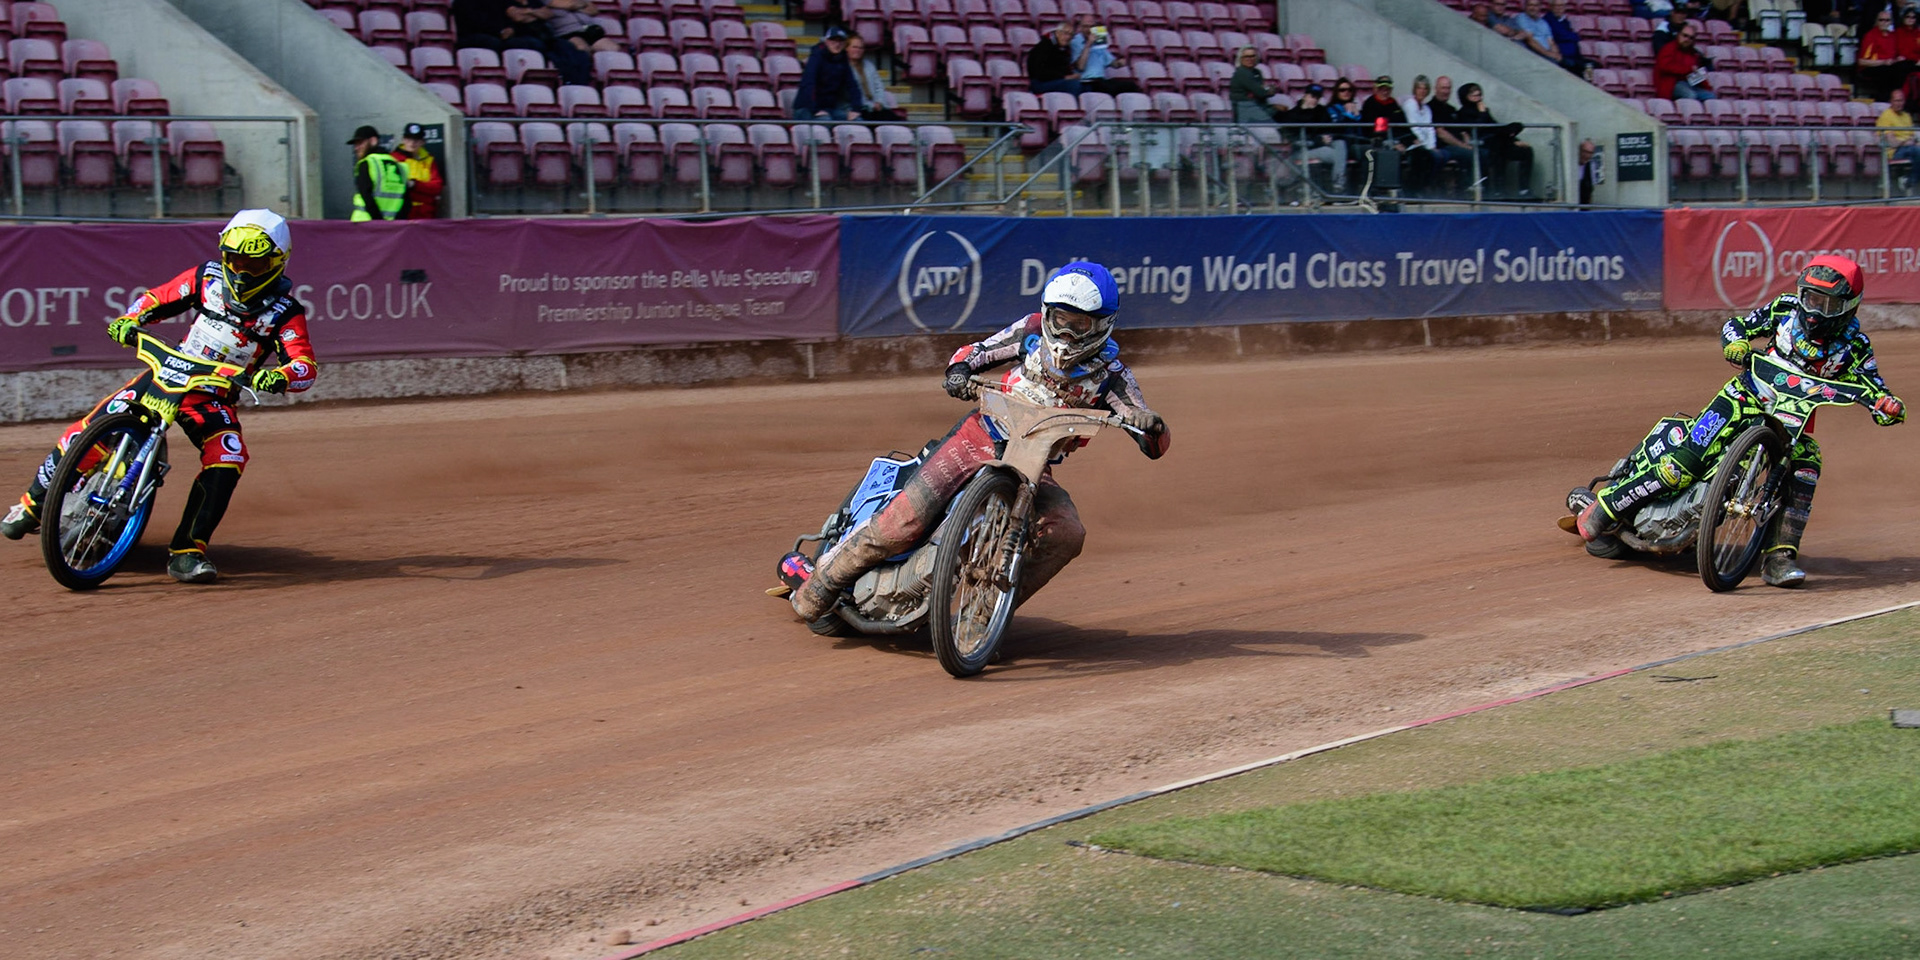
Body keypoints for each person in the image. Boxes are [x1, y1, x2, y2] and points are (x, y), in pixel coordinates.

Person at [782, 262, 1169, 626]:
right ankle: (818, 588)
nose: (1066, 334)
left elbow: (1154, 439)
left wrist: (1149, 425)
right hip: (979, 436)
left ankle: (985, 617)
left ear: (1103, 325)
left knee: (1067, 532)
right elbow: (976, 352)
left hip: (1034, 465)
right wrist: (959, 372)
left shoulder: (1113, 377)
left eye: (1078, 325)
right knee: (901, 523)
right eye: (1060, 321)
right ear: (1047, 314)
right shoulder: (1031, 331)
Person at [1, 210, 317, 584]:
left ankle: (187, 551)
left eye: (255, 262)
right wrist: (130, 320)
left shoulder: (285, 313)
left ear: (277, 262)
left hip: (211, 397)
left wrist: (278, 377)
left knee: (229, 455)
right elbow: (157, 298)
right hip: (165, 373)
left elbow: (305, 365)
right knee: (89, 428)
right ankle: (33, 504)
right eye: (235, 259)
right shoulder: (206, 278)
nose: (242, 270)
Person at [1574, 256, 1904, 587]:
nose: (1815, 310)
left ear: (1849, 306)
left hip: (1793, 422)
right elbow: (1737, 325)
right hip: (1739, 398)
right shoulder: (1785, 309)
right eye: (1811, 298)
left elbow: (1874, 387)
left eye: (1827, 304)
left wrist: (1886, 406)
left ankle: (1779, 558)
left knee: (1808, 464)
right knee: (1682, 464)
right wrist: (1736, 344)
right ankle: (1607, 508)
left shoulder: (1856, 347)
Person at [1455, 82, 1534, 198]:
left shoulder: (1484, 110)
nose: (1478, 99)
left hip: (1500, 141)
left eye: (1479, 95)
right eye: (1474, 96)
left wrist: (1514, 138)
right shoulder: (1463, 113)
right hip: (1483, 144)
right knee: (1498, 150)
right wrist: (1482, 113)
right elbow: (1477, 129)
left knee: (1525, 150)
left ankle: (1524, 189)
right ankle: (1498, 190)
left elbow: (1495, 127)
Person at [1358, 76, 1431, 195]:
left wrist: (1412, 139)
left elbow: (1403, 126)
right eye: (1382, 88)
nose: (1385, 91)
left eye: (1388, 88)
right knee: (1387, 153)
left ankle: (1414, 191)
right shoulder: (1370, 104)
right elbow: (1373, 131)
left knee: (1422, 154)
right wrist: (1395, 143)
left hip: (1399, 141)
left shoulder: (1393, 104)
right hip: (1379, 141)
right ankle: (1383, 192)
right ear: (1376, 89)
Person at [1276, 83, 1348, 193]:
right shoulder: (1292, 115)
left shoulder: (1322, 111)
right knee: (1338, 155)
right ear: (1305, 96)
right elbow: (1296, 140)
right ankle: (1338, 185)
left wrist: (1328, 137)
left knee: (1340, 143)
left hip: (1320, 145)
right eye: (1312, 96)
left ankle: (1338, 183)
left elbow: (1332, 130)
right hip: (1301, 150)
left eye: (1318, 98)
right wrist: (1319, 140)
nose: (1315, 100)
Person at [793, 26, 864, 121]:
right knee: (825, 120)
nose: (837, 44)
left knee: (858, 121)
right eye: (833, 41)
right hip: (806, 108)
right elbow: (808, 85)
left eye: (841, 42)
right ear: (826, 41)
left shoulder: (843, 59)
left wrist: (856, 109)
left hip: (829, 109)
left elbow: (852, 85)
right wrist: (816, 109)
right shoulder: (816, 57)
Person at [1428, 75, 1478, 192]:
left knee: (1484, 152)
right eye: (1443, 88)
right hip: (1444, 147)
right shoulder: (1431, 107)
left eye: (1448, 88)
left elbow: (1462, 130)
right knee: (1472, 155)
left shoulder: (1451, 109)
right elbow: (1441, 133)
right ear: (1436, 89)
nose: (1446, 91)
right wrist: (1462, 145)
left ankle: (1484, 189)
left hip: (1458, 146)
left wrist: (1467, 141)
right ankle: (1466, 189)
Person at [349, 124, 408, 222]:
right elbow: (406, 202)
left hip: (365, 225)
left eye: (360, 143)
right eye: (356, 144)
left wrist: (379, 223)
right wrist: (395, 224)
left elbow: (367, 197)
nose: (356, 148)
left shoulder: (366, 163)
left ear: (373, 141)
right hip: (394, 227)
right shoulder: (399, 166)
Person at [1858, 7, 1916, 102]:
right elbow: (1862, 62)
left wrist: (1898, 59)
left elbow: (1895, 56)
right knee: (1889, 72)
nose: (1884, 22)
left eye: (1887, 20)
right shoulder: (1870, 35)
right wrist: (1883, 62)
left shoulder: (1893, 36)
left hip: (1890, 67)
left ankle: (1901, 99)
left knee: (1905, 65)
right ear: (1876, 21)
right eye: (1881, 20)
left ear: (1891, 22)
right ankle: (1885, 99)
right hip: (1873, 67)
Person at [1653, 20, 1716, 101]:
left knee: (1711, 96)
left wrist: (1707, 87)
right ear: (1678, 35)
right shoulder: (1668, 48)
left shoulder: (1693, 53)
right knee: (1690, 95)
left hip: (1689, 84)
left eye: (1691, 38)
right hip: (1671, 84)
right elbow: (1664, 66)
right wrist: (1688, 69)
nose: (1687, 39)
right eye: (1685, 36)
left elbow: (1697, 74)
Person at [451, 0, 548, 52]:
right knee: (492, 42)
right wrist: (499, 31)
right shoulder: (464, 2)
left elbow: (508, 17)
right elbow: (473, 22)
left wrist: (511, 29)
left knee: (532, 42)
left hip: (501, 35)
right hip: (472, 35)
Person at [394, 123, 445, 220]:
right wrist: (424, 192)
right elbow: (395, 188)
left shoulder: (429, 160)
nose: (412, 143)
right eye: (409, 139)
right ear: (403, 140)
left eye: (416, 140)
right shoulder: (394, 159)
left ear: (422, 142)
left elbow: (437, 187)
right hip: (402, 213)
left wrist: (414, 185)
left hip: (425, 214)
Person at [846, 35, 905, 121]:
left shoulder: (869, 65)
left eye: (861, 48)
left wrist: (879, 102)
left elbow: (879, 87)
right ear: (847, 48)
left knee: (898, 123)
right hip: (858, 108)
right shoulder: (843, 68)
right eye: (854, 47)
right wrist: (871, 105)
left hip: (875, 107)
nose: (858, 50)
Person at [1072, 22, 1141, 94]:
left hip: (1100, 81)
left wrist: (1120, 63)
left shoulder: (1099, 46)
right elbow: (1080, 67)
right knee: (1106, 86)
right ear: (1080, 28)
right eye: (1086, 26)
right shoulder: (1076, 43)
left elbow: (1114, 64)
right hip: (1087, 81)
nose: (1089, 30)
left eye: (1092, 27)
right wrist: (1088, 44)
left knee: (1131, 85)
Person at [1877, 88, 1919, 191]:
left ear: (1904, 102)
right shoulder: (1886, 116)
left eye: (1901, 101)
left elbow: (1912, 137)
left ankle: (1908, 180)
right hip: (1894, 151)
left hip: (1909, 148)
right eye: (1896, 101)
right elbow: (1892, 142)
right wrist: (1905, 142)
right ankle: (1909, 181)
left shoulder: (1906, 116)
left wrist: (1910, 142)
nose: (1898, 103)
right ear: (1891, 102)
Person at [1028, 20, 1083, 95]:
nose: (1068, 37)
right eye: (1065, 33)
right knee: (1073, 84)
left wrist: (1071, 76)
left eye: (1071, 35)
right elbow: (1039, 72)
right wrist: (1064, 77)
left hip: (1057, 81)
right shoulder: (1044, 46)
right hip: (1040, 83)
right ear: (1057, 33)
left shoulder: (1065, 49)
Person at [1228, 46, 1277, 123]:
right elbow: (1261, 93)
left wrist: (1262, 91)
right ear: (1241, 59)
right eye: (1247, 57)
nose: (1250, 59)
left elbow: (1261, 92)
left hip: (1259, 106)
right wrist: (1265, 91)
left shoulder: (1257, 72)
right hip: (1246, 109)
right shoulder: (1242, 73)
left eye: (1253, 56)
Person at [1508, 0, 1566, 65]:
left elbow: (1551, 42)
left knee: (1571, 64)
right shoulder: (1521, 18)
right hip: (1534, 55)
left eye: (1536, 5)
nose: (1533, 8)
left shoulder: (1543, 22)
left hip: (1548, 56)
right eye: (1530, 5)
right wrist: (1548, 54)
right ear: (1525, 6)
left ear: (1539, 7)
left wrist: (1556, 54)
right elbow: (1530, 41)